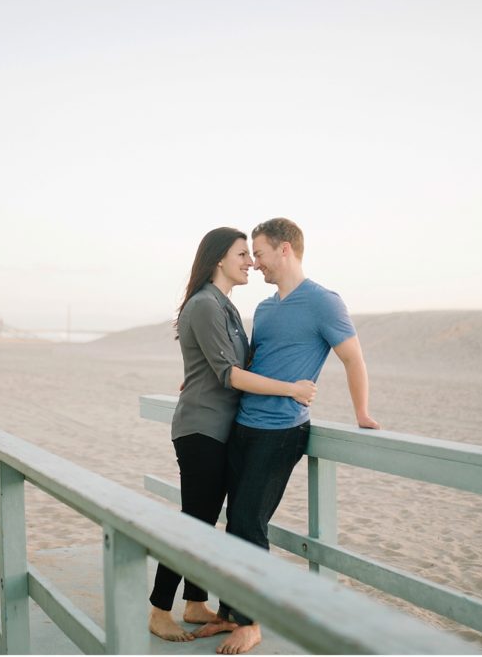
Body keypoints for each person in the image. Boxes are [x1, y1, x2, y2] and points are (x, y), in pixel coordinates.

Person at [196, 217, 380, 655]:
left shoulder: (324, 302)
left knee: (249, 522)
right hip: (244, 423)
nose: (254, 263)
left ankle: (252, 622)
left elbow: (353, 359)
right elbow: (249, 362)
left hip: (282, 430)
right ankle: (229, 612)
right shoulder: (264, 308)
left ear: (285, 250)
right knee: (234, 521)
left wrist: (362, 413)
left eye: (258, 253)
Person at [148, 226, 319, 643]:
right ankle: (158, 608)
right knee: (194, 521)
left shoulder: (224, 306)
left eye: (251, 255)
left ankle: (193, 602)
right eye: (242, 254)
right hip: (201, 429)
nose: (250, 262)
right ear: (219, 259)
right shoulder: (207, 305)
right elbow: (228, 375)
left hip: (221, 428)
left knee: (204, 520)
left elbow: (222, 365)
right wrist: (292, 389)